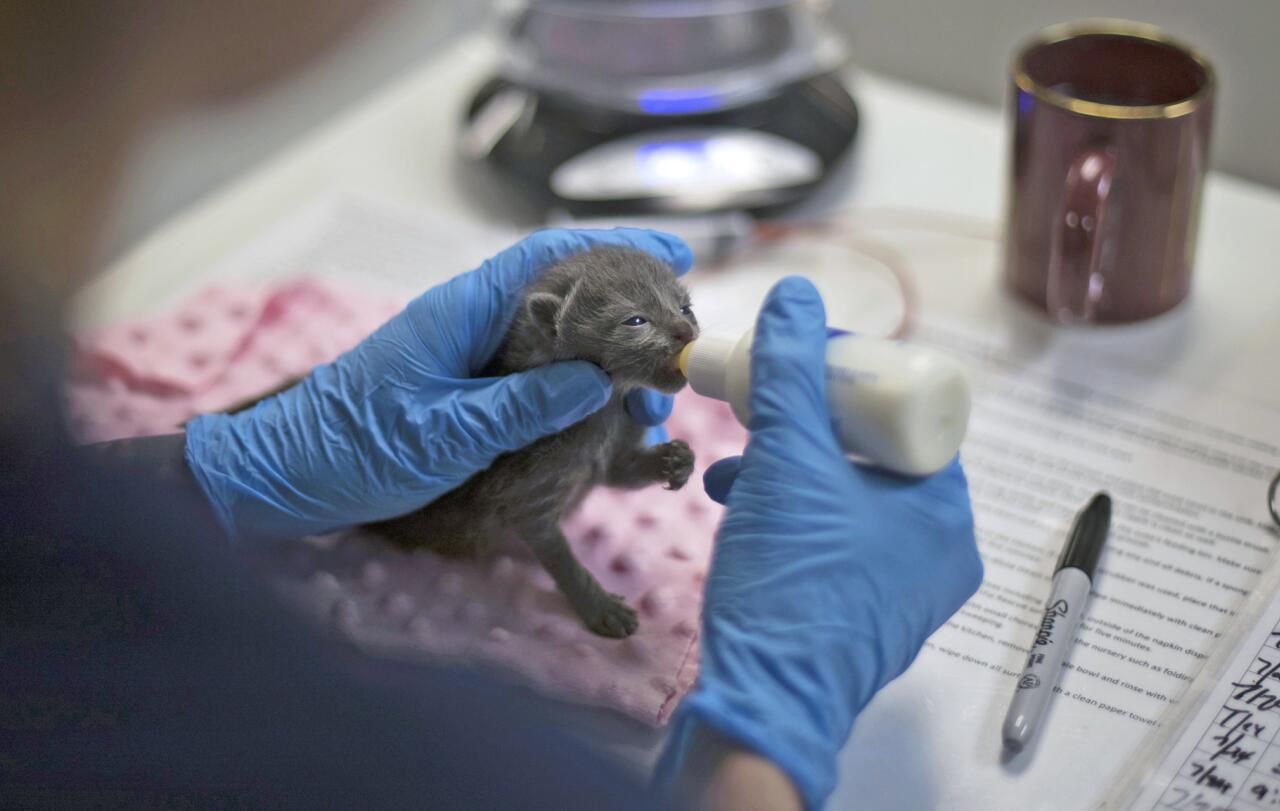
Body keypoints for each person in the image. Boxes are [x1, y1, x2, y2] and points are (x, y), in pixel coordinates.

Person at [0, 4, 983, 809]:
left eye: (674, 313)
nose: (674, 330)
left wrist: (213, 471)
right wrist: (767, 735)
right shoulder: (400, 751)